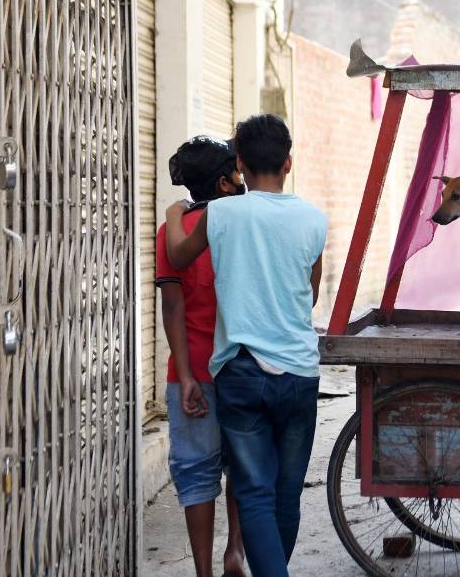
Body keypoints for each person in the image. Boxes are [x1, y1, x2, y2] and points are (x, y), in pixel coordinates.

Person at [164, 115, 327, 576]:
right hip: (299, 374)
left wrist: (174, 214)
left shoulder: (221, 214)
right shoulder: (314, 220)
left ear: (239, 163)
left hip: (241, 373)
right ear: (288, 162)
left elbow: (178, 256)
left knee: (254, 493)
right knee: (285, 495)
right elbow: (311, 294)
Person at [155, 135, 247, 577]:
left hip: (190, 370)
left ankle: (203, 572)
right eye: (236, 171)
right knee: (243, 464)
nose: (242, 176)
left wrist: (187, 375)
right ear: (224, 183)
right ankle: (236, 550)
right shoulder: (243, 224)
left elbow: (171, 308)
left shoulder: (171, 231)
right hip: (242, 368)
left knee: (196, 472)